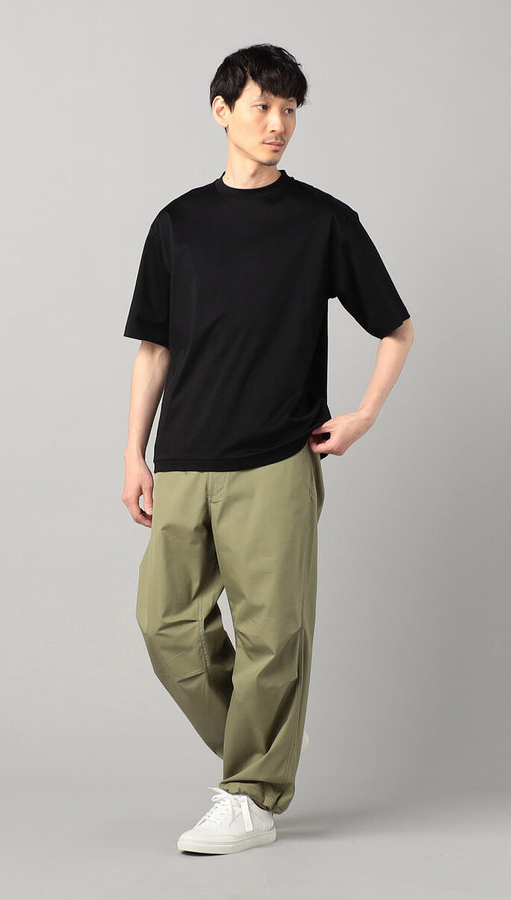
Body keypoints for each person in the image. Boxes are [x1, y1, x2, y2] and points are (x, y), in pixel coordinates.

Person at [121, 43, 414, 855]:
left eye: (289, 110)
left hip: (276, 460)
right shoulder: (177, 224)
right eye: (262, 106)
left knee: (271, 636)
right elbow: (154, 348)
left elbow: (396, 328)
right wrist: (133, 452)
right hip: (185, 458)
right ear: (222, 111)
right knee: (165, 625)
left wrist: (363, 416)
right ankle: (267, 742)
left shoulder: (322, 221)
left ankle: (251, 795)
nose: (278, 123)